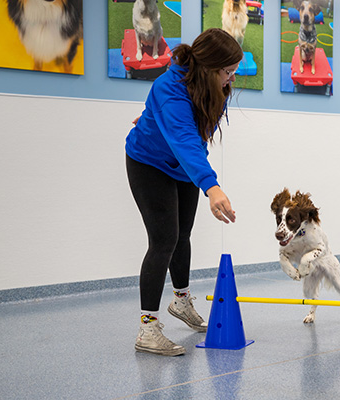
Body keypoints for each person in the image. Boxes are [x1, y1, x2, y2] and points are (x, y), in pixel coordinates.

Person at [125, 28, 243, 356]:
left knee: (182, 235)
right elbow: (184, 139)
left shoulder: (214, 86)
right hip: (148, 163)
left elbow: (195, 132)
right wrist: (212, 186)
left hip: (182, 166)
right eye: (227, 71)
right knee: (163, 240)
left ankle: (181, 302)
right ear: (208, 68)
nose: (231, 78)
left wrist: (155, 119)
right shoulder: (168, 87)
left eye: (234, 71)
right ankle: (147, 328)